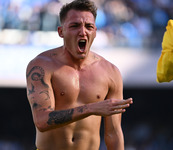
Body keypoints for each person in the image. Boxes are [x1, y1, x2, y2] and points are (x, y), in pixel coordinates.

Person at [26, 0, 133, 150]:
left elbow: (113, 134)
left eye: (89, 26)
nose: (83, 32)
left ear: (95, 31)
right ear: (61, 31)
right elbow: (42, 121)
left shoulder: (111, 72)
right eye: (75, 26)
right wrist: (91, 108)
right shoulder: (41, 66)